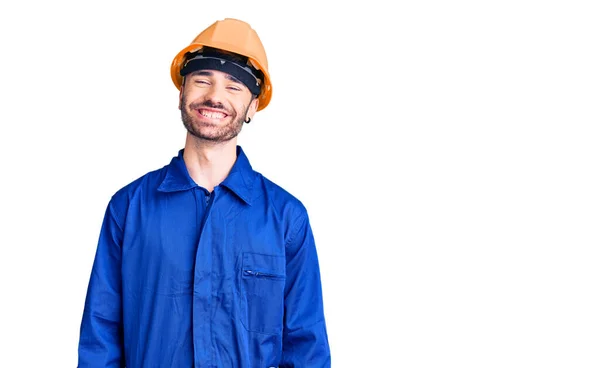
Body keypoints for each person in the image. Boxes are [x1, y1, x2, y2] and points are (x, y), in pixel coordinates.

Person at [77, 18, 331, 367]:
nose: (214, 96)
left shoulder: (286, 218)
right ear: (182, 91)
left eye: (234, 86)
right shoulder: (130, 208)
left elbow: (307, 348)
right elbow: (100, 336)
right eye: (202, 80)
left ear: (253, 106)